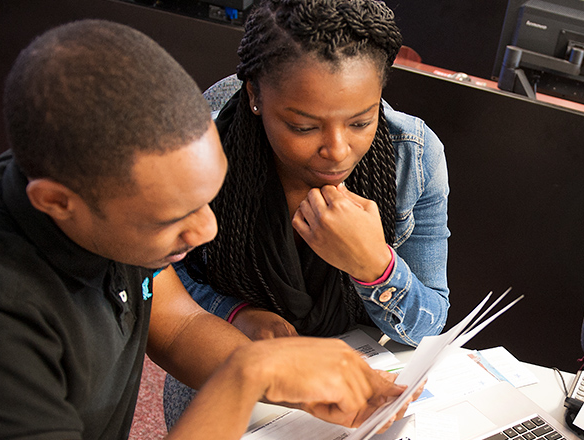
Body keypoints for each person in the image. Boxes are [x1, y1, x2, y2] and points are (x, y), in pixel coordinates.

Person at [0, 19, 412, 440]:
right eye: (172, 219)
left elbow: (174, 324)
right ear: (59, 203)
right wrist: (247, 375)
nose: (204, 231)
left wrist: (300, 381)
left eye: (205, 200)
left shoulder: (89, 180)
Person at [163, 0, 450, 427]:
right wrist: (236, 313)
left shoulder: (414, 156)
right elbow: (159, 279)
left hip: (353, 385)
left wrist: (375, 266)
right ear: (256, 95)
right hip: (226, 368)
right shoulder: (201, 146)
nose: (336, 150)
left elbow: (429, 326)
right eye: (303, 127)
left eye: (360, 122)